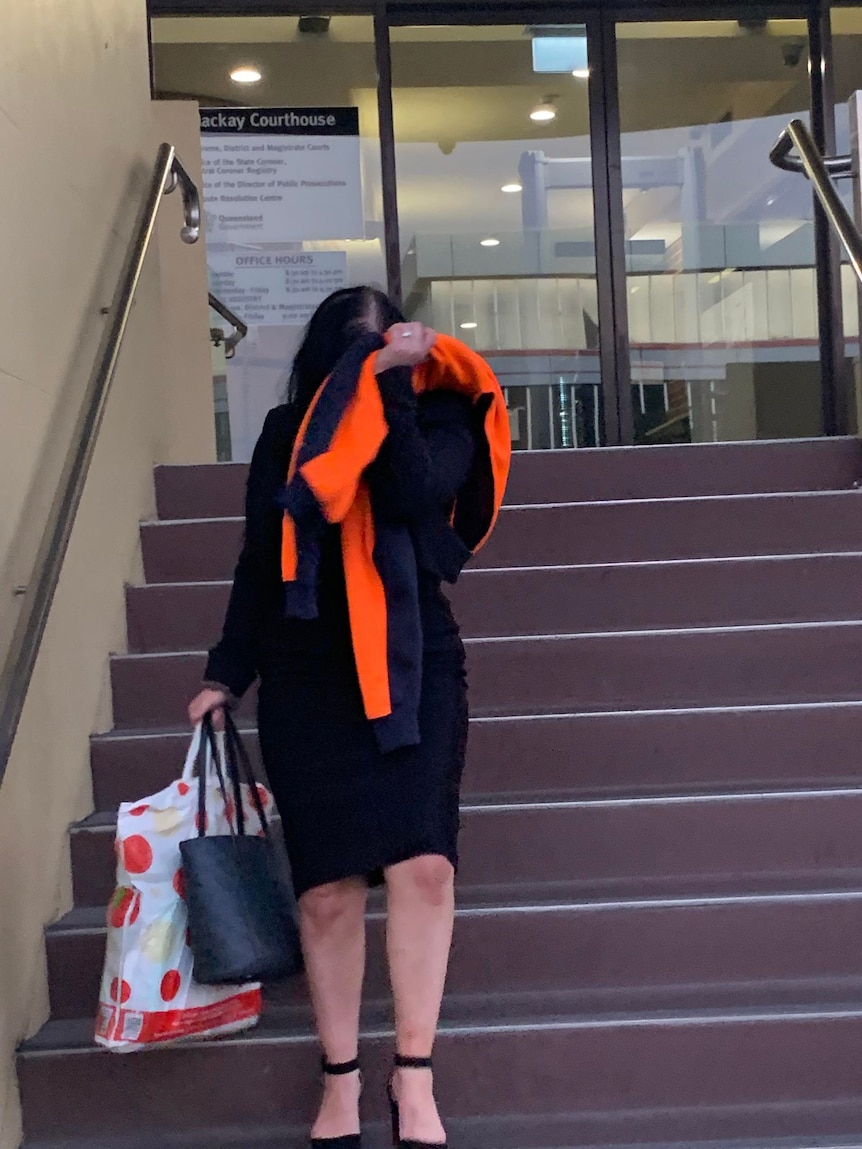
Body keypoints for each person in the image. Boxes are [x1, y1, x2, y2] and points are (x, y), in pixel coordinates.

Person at [188, 286, 508, 1149]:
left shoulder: (443, 409)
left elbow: (414, 496)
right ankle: (339, 1080)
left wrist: (396, 389)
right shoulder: (287, 436)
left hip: (414, 665)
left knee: (424, 868)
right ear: (324, 357)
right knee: (327, 891)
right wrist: (227, 671)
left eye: (383, 341)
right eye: (355, 347)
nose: (369, 355)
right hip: (305, 671)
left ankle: (414, 1077)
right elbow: (262, 558)